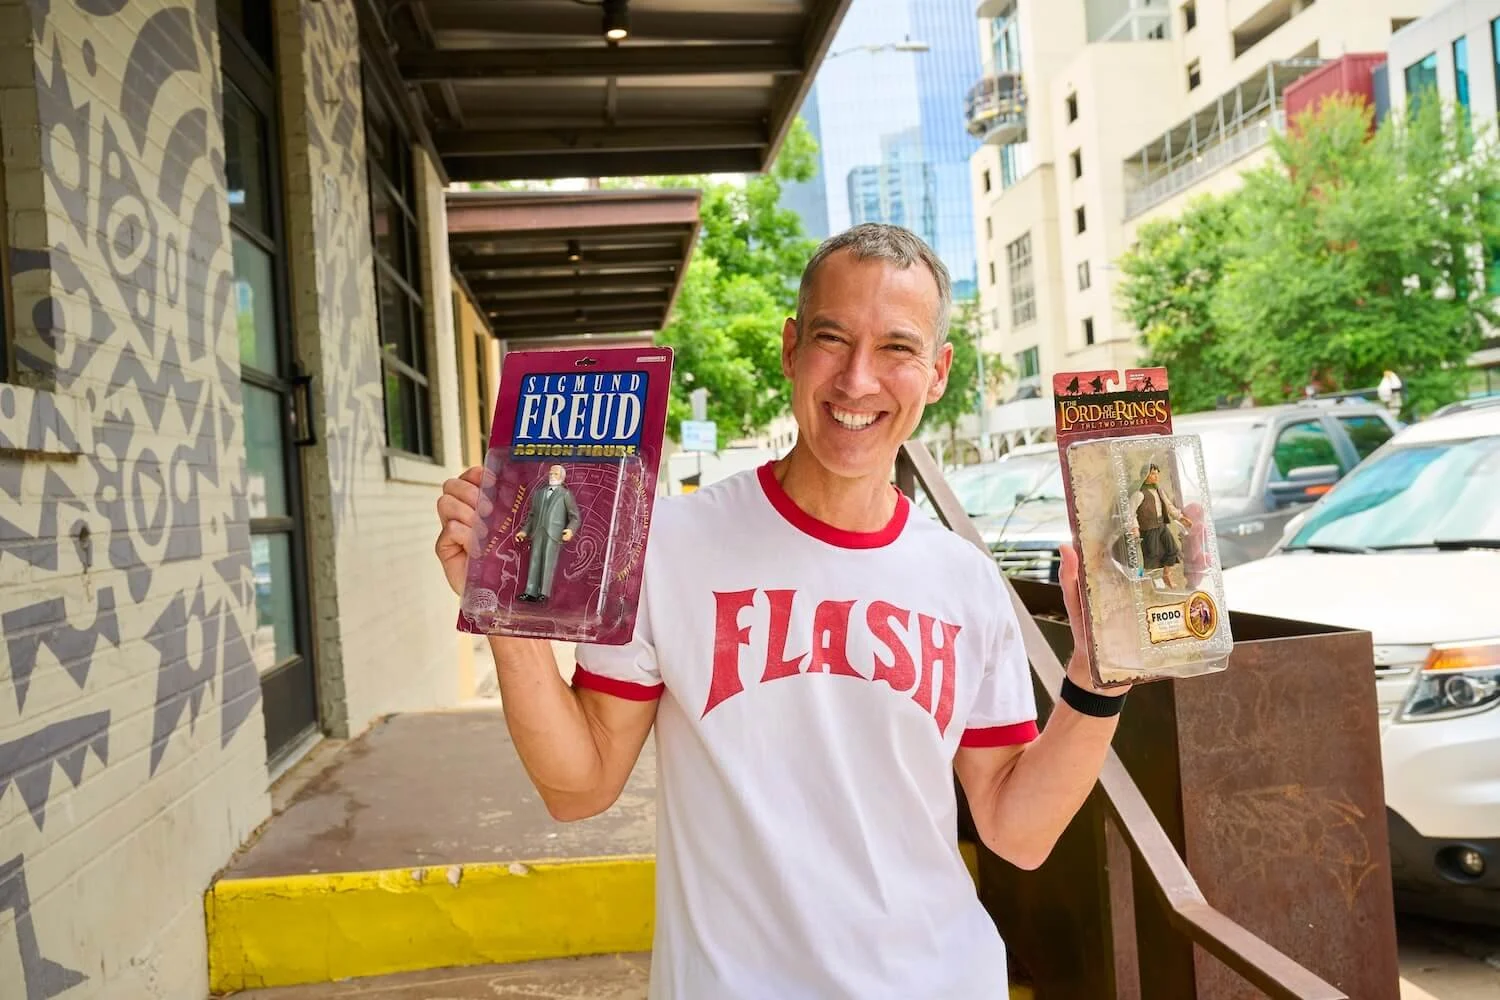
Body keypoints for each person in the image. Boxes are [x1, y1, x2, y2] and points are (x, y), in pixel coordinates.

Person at [435, 224, 1134, 999]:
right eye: (833, 339)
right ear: (790, 349)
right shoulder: (667, 545)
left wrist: (1097, 679)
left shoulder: (965, 582)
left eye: (897, 349)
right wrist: (507, 619)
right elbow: (581, 786)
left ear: (937, 374)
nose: (859, 380)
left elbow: (1019, 831)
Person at [515, 463, 579, 603]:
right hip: (538, 531)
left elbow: (574, 516)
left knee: (549, 562)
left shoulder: (565, 494)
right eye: (550, 473)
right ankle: (530, 591)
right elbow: (531, 516)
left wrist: (570, 529)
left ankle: (544, 593)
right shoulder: (539, 494)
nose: (551, 475)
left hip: (554, 533)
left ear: (562, 477)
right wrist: (524, 531)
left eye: (555, 473)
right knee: (534, 560)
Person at [1127, 463, 1192, 590]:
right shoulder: (1139, 494)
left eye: (1157, 473)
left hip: (1162, 525)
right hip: (1149, 528)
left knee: (1172, 549)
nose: (1155, 476)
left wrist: (1180, 517)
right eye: (1152, 473)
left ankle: (1166, 574)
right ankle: (1140, 575)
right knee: (1151, 554)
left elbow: (1169, 506)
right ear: (1144, 475)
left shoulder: (1159, 491)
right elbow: (1130, 513)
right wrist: (1134, 527)